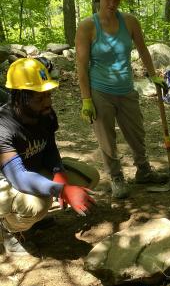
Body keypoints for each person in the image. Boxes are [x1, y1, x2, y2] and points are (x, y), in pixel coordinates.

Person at [75, 0, 167, 199]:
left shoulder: (130, 22)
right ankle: (116, 177)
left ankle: (143, 169)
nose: (113, 3)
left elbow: (143, 49)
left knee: (136, 132)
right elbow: (81, 67)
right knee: (106, 137)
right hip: (100, 91)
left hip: (126, 89)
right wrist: (86, 99)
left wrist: (152, 74)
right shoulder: (88, 27)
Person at [0, 58, 99, 256]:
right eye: (40, 98)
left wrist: (58, 171)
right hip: (8, 180)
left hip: (33, 169)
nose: (48, 102)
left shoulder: (45, 113)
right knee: (35, 205)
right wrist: (62, 190)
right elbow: (19, 177)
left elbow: (49, 146)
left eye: (48, 95)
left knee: (89, 177)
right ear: (19, 98)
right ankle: (10, 230)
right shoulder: (3, 127)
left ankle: (35, 219)